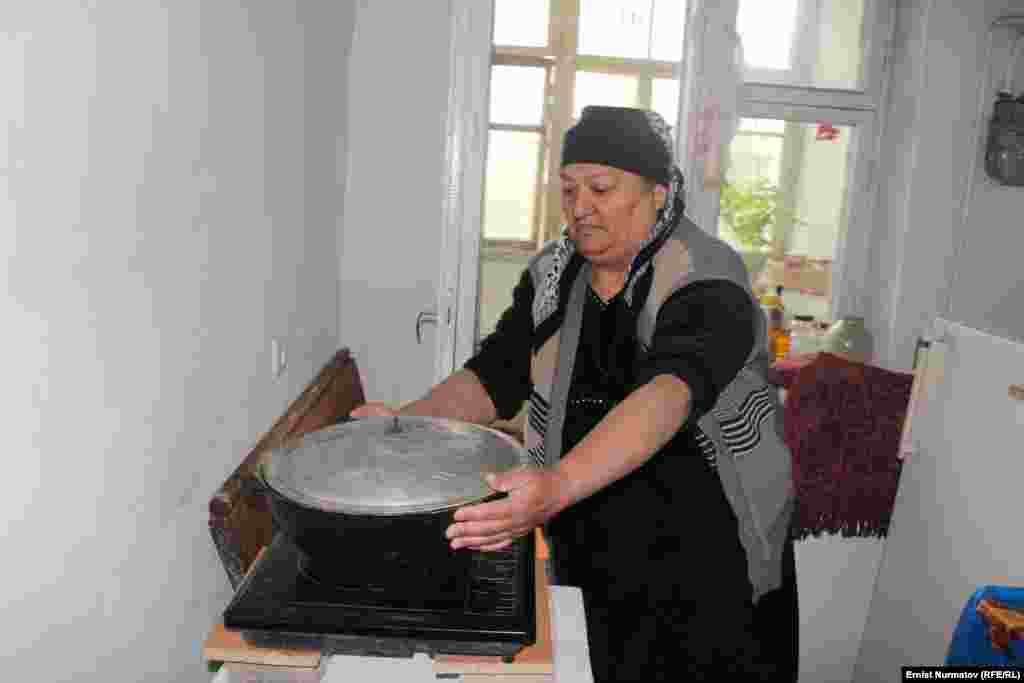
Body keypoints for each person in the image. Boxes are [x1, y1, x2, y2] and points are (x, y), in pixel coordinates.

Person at [353, 105, 796, 681]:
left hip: (704, 557)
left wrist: (557, 485)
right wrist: (405, 427)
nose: (580, 206)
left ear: (659, 192)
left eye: (601, 188)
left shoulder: (707, 277)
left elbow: (670, 392)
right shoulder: (554, 275)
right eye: (568, 189)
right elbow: (493, 376)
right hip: (589, 542)